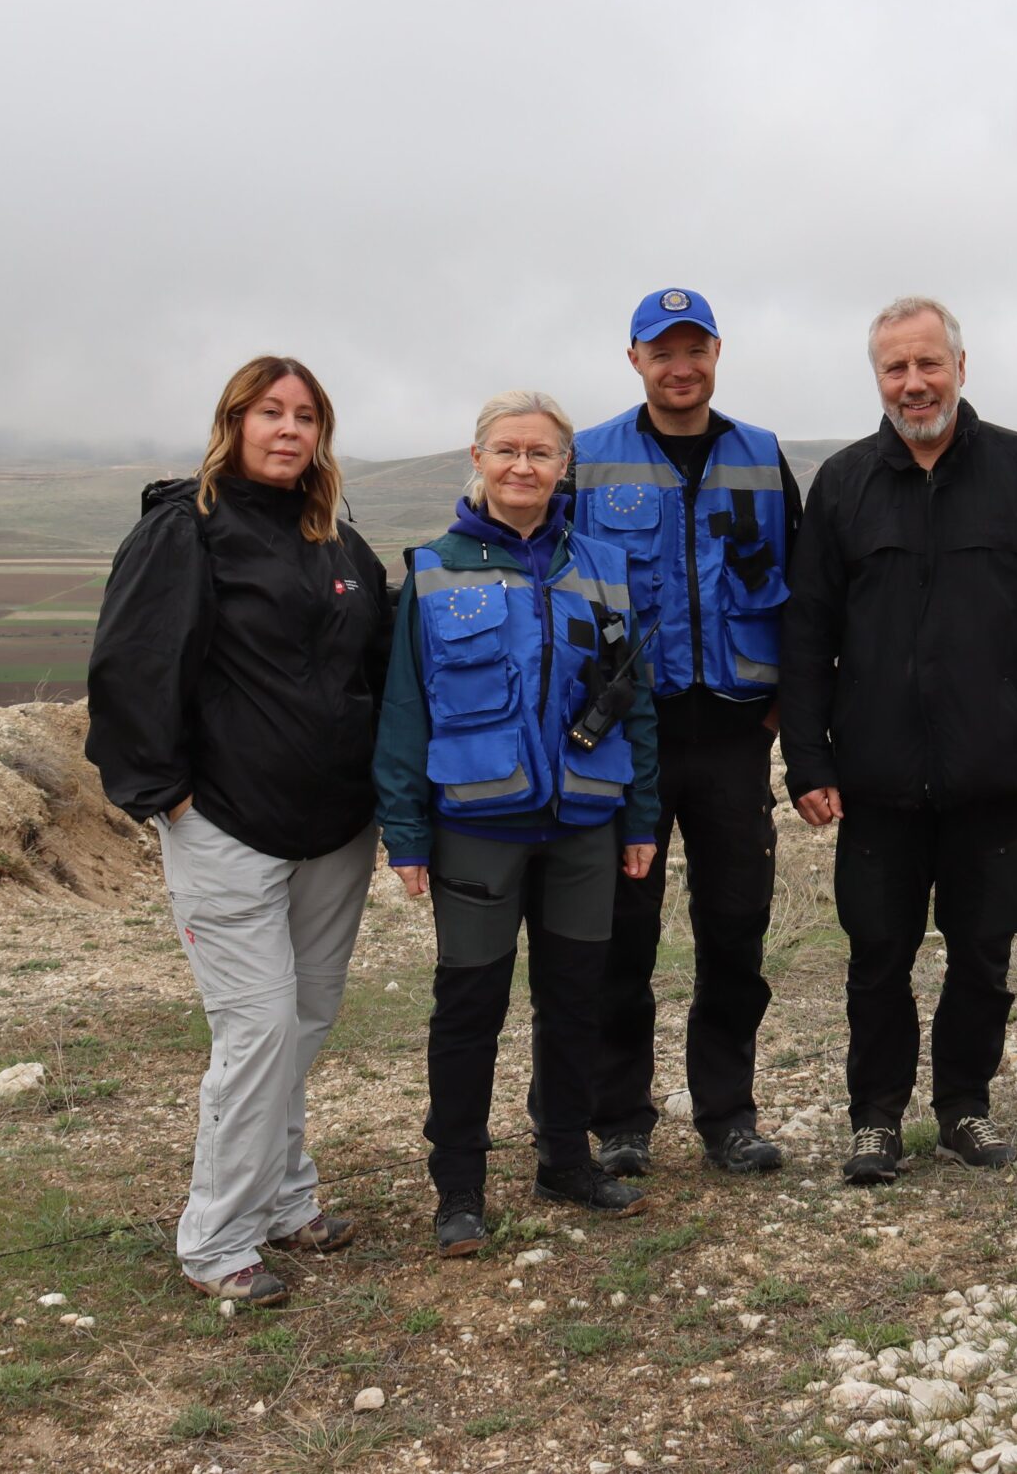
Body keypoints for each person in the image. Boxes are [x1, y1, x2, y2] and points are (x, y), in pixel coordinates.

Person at [779, 297, 1017, 1187]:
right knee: (877, 958)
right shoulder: (844, 484)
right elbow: (807, 635)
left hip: (989, 777)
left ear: (963, 367)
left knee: (985, 952)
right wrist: (806, 759)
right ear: (878, 378)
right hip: (876, 782)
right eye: (896, 368)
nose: (914, 382)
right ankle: (875, 1122)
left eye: (929, 364)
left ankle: (965, 1106)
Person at [84, 356, 391, 1305]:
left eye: (306, 415)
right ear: (235, 421)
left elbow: (377, 666)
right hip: (226, 826)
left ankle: (286, 1197)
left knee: (301, 1022)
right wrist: (163, 793)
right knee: (256, 1028)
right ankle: (218, 1239)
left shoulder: (339, 540)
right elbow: (133, 663)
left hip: (336, 827)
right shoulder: (187, 529)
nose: (289, 429)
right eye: (271, 412)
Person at [375, 389, 662, 1255]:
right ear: (478, 458)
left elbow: (634, 703)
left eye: (541, 453)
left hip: (584, 824)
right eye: (507, 451)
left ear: (565, 466)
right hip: (476, 828)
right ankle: (459, 1187)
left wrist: (641, 817)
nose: (523, 467)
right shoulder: (433, 568)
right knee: (469, 1008)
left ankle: (564, 1160)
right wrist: (406, 832)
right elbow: (403, 711)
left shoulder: (603, 570)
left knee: (575, 1001)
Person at [569, 287, 802, 1178]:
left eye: (694, 347)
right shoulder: (588, 459)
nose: (680, 365)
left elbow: (804, 585)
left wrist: (792, 696)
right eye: (660, 350)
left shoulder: (760, 453)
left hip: (736, 729)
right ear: (633, 358)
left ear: (716, 353)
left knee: (735, 925)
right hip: (628, 733)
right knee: (624, 928)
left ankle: (728, 1114)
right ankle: (620, 1115)